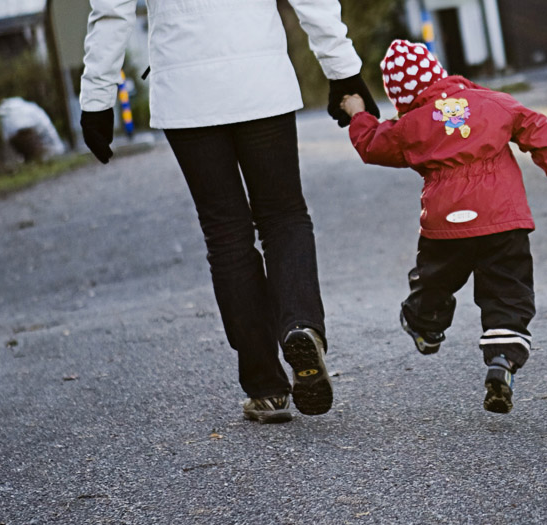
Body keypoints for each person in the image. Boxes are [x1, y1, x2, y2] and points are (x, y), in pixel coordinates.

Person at [79, 0, 380, 424]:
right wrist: (342, 70)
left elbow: (112, 11)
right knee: (284, 217)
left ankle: (265, 388)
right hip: (260, 78)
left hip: (186, 91)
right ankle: (301, 325)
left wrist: (96, 99)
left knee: (226, 234)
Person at [340, 39, 547, 414]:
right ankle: (502, 359)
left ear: (401, 98)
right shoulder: (490, 102)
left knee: (434, 278)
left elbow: (371, 144)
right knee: (507, 289)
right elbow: (534, 124)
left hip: (446, 226)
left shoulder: (409, 126)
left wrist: (358, 113)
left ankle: (425, 323)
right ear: (440, 73)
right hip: (503, 219)